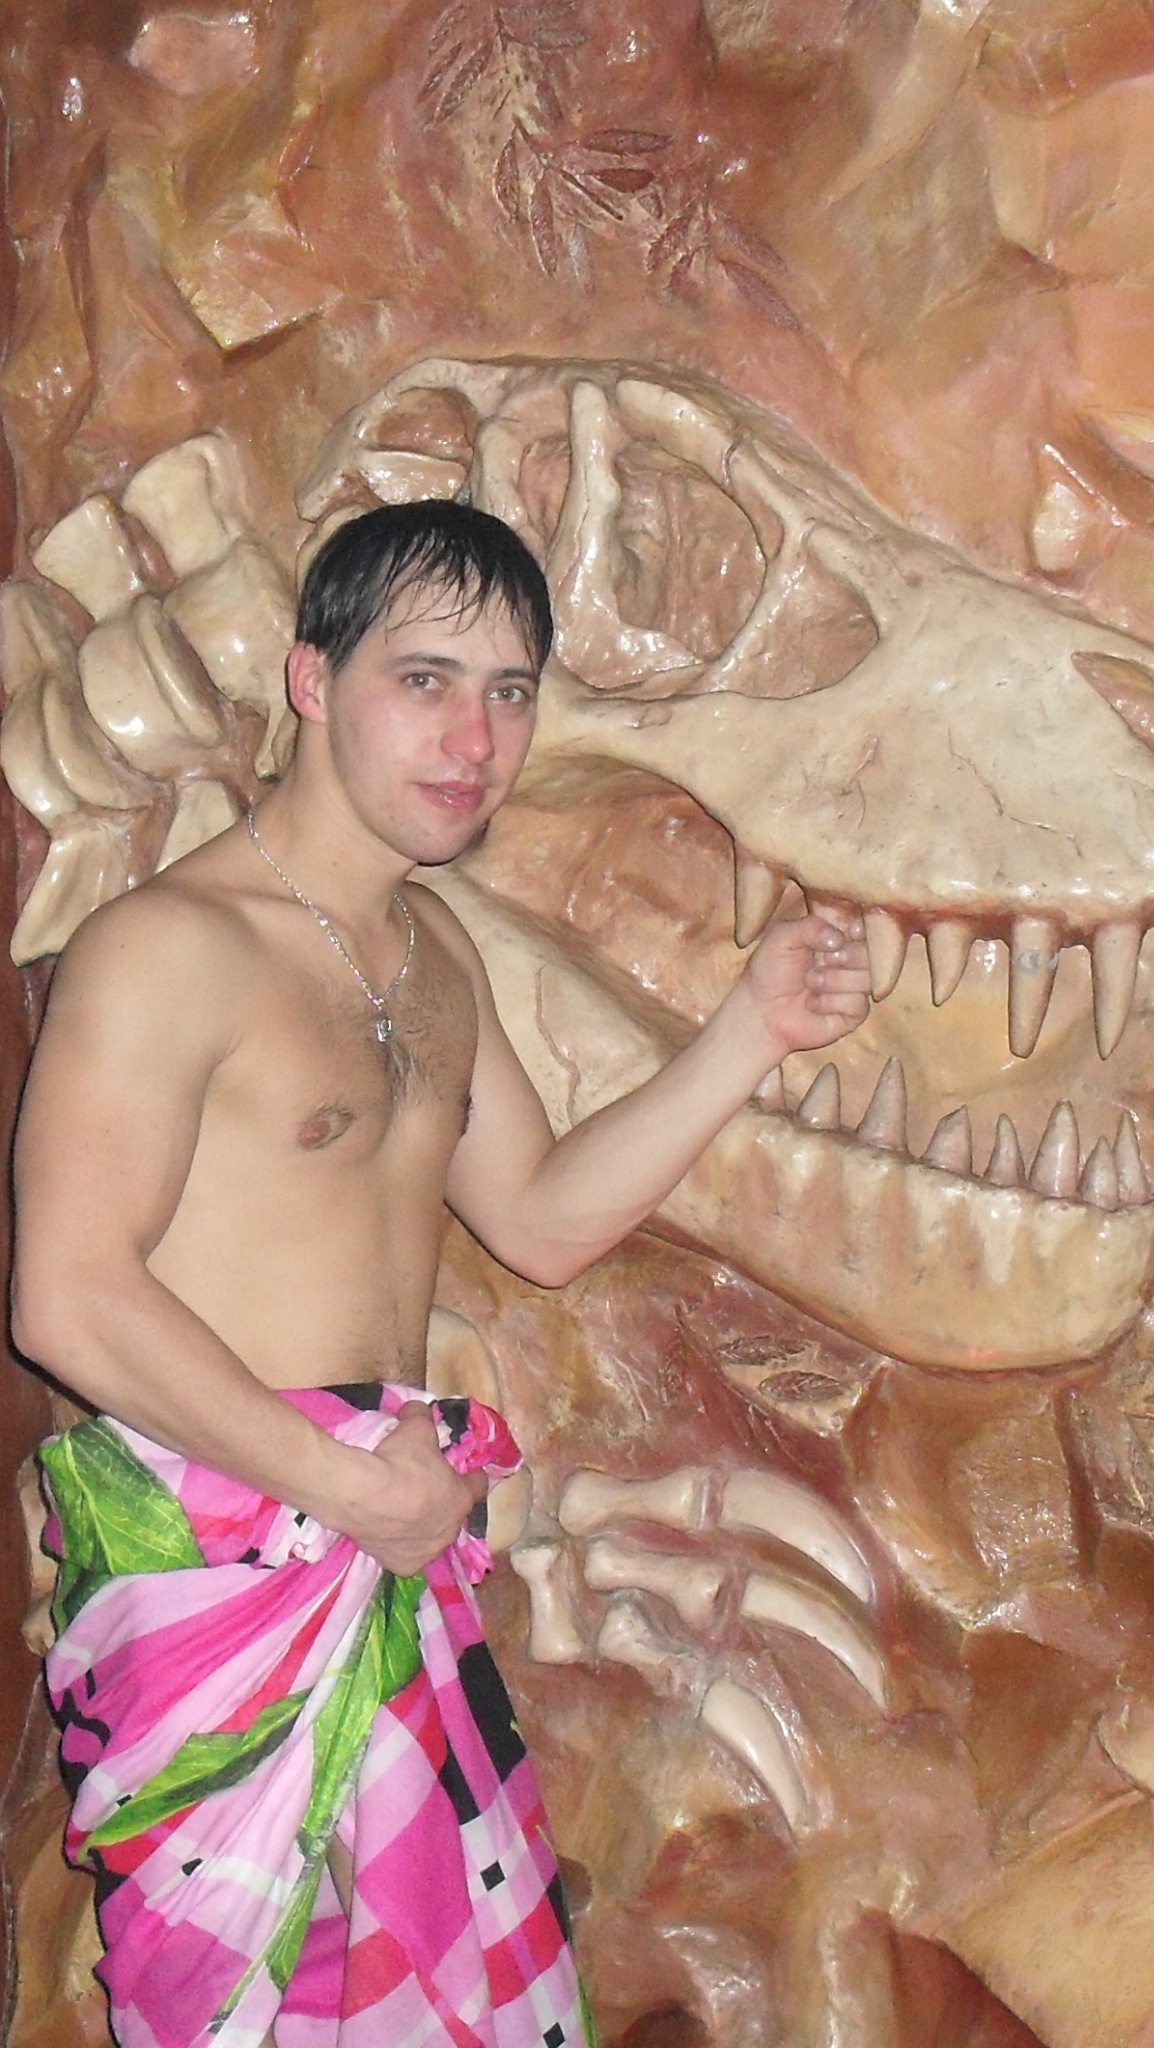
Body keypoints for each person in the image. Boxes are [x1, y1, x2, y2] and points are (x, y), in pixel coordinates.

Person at [11, 499, 871, 2048]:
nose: (474, 739)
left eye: (510, 691)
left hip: (386, 1545)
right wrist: (345, 1488)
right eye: (424, 680)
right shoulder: (167, 949)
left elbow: (538, 1219)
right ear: (310, 680)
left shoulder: (436, 954)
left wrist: (751, 1033)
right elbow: (68, 1298)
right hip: (229, 1565)